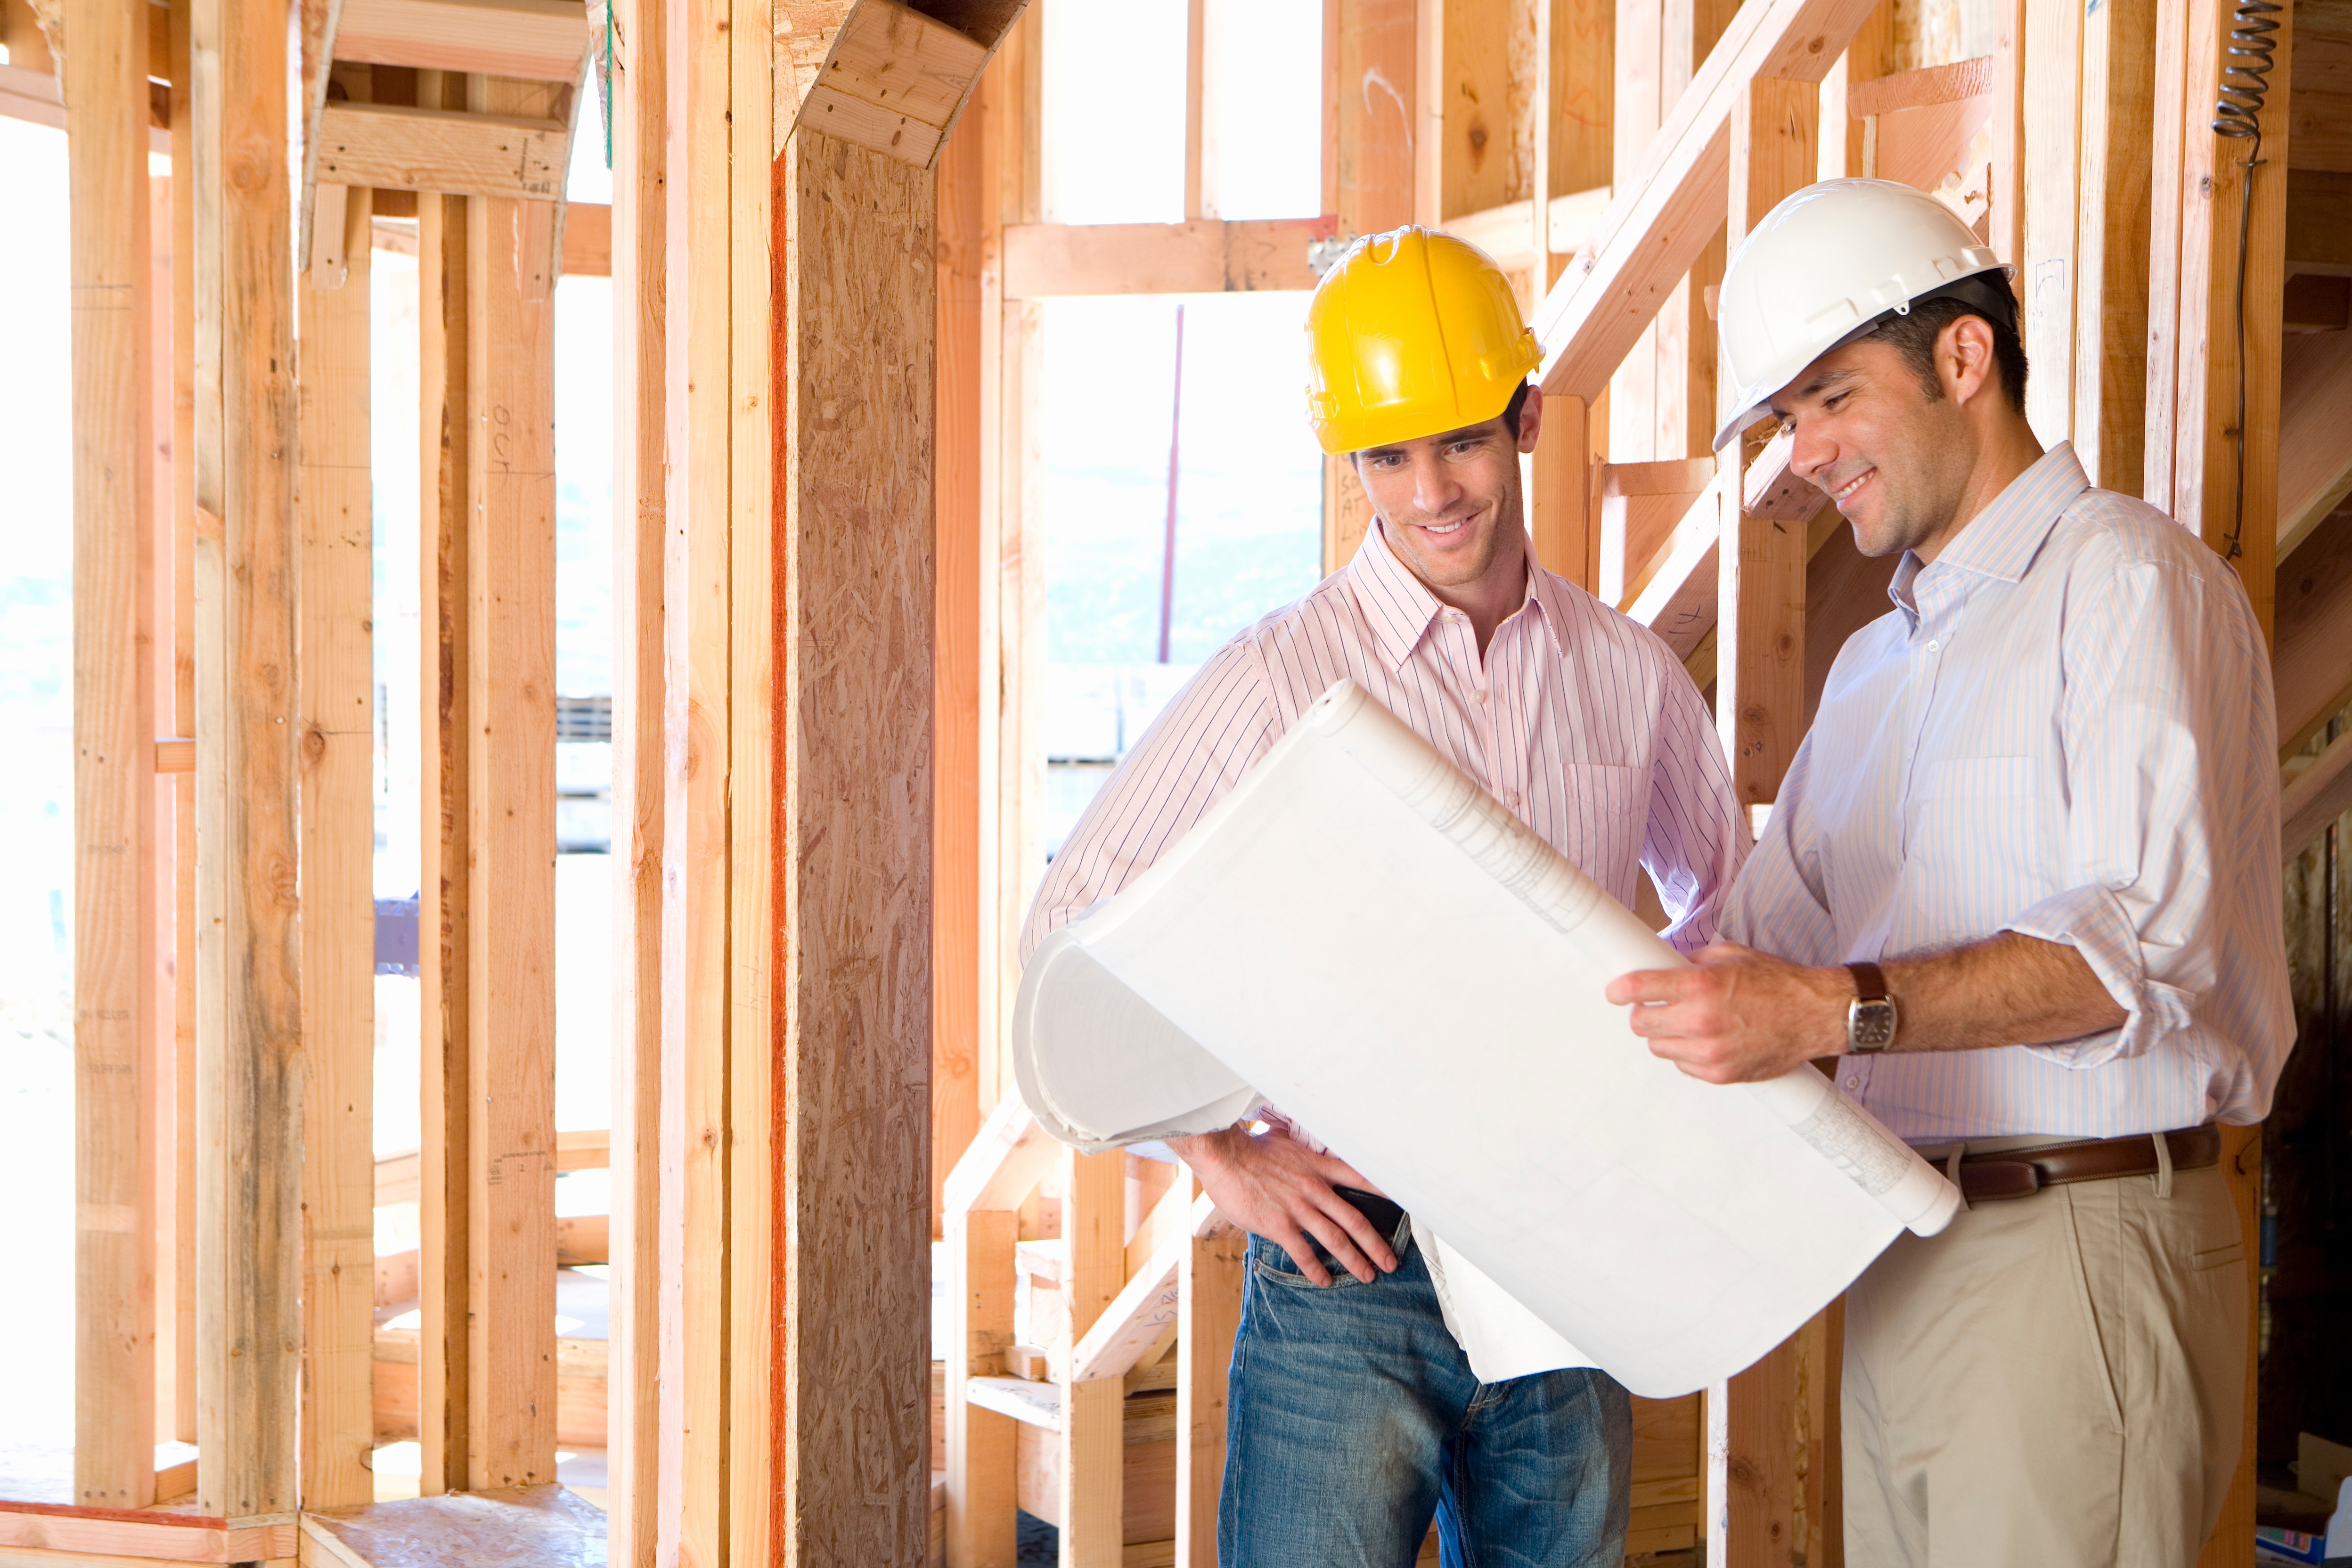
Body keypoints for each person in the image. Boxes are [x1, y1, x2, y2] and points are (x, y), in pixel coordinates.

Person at [1016, 227, 1748, 1568]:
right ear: (1350, 461)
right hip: (1351, 1264)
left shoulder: (1629, 676)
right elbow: (1075, 937)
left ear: (1522, 417)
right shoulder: (1278, 683)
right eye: (1389, 457)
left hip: (1563, 1258)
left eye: (1462, 441)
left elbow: (1722, 916)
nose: (1433, 493)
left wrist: (1641, 1114)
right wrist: (1216, 1153)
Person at [1604, 179, 2293, 1568]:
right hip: (1908, 1252)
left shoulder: (2122, 587)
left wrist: (1829, 1010)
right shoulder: (1880, 665)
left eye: (1830, 399)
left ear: (1964, 358)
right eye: (1788, 419)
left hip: (2079, 1244)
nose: (1804, 454)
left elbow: (2134, 951)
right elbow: (1752, 943)